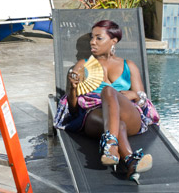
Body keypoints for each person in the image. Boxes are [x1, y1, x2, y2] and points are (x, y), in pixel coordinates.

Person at [54, 20, 160, 180]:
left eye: (99, 38)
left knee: (108, 91)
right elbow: (74, 110)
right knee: (118, 124)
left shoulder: (129, 65)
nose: (92, 42)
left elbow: (143, 100)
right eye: (92, 37)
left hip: (129, 115)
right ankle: (130, 160)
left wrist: (132, 95)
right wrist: (73, 88)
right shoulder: (83, 66)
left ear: (113, 41)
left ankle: (110, 144)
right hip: (96, 116)